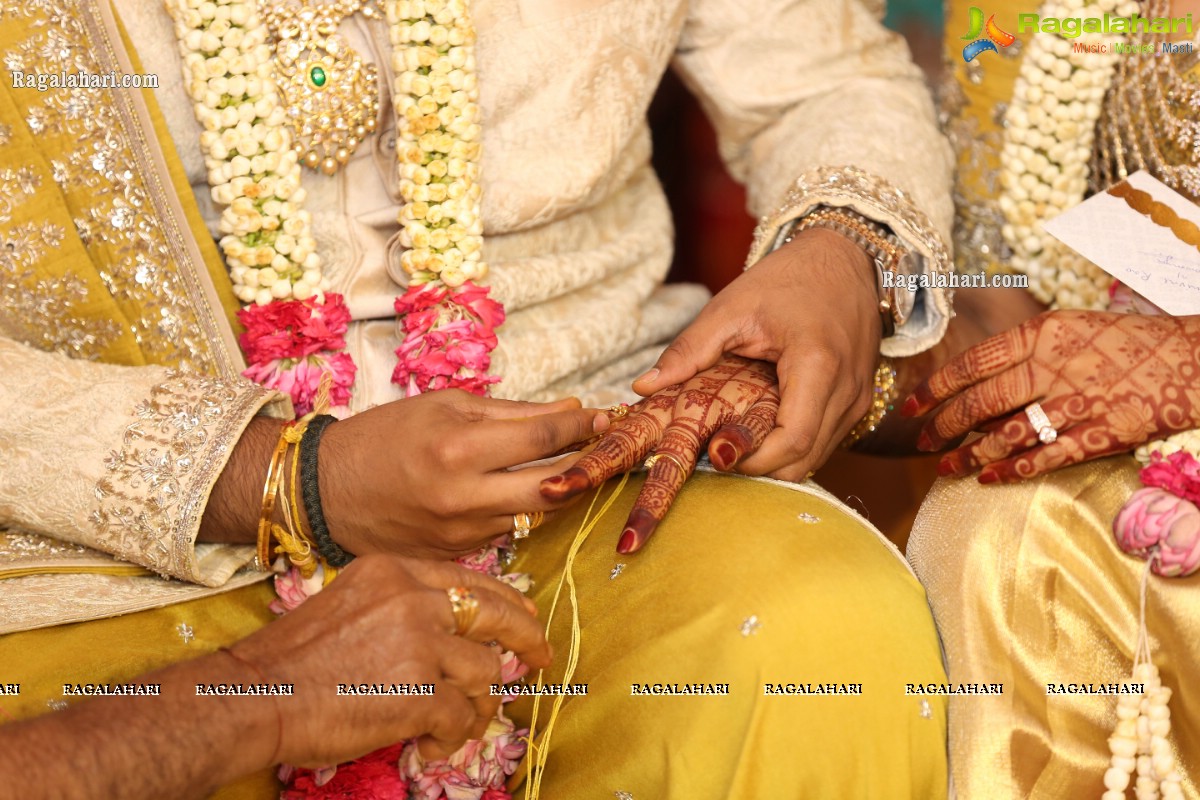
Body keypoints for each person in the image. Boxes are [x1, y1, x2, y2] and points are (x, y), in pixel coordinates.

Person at [0, 0, 955, 795]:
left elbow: (824, 78)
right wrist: (279, 475)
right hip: (107, 540)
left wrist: (842, 247)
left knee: (824, 639)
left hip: (593, 452)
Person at [905, 0, 1200, 797]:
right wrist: (823, 357)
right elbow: (992, 291)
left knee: (1025, 540)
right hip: (1112, 435)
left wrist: (1188, 362)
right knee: (994, 520)